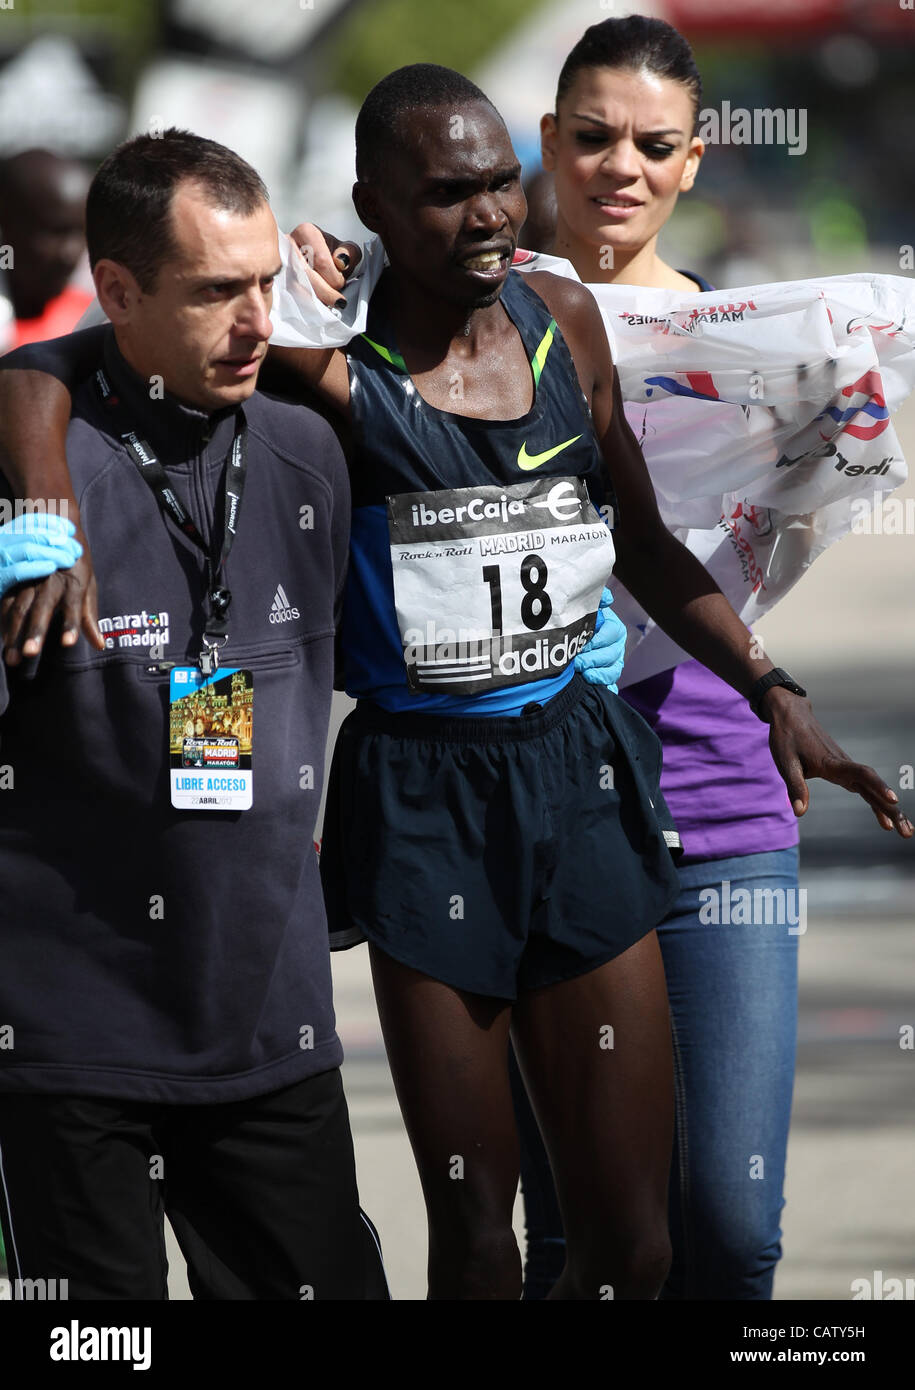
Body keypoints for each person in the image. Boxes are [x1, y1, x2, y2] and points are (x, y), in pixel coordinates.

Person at [0, 70, 909, 1303]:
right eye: (448, 193)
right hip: (425, 799)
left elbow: (640, 537)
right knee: (479, 1240)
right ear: (376, 206)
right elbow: (53, 360)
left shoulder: (559, 319)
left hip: (575, 768)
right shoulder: (316, 369)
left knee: (637, 1244)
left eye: (499, 185)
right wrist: (44, 504)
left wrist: (770, 685)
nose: (487, 215)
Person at [503, 12, 901, 1301]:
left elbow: (814, 504)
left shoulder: (778, 344)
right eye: (594, 136)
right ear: (551, 140)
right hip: (534, 801)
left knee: (732, 1231)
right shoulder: (459, 318)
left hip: (729, 790)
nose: (619, 165)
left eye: (653, 145)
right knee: (577, 1238)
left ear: (694, 162)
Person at [0, 130, 387, 1300]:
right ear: (115, 290)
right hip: (70, 1044)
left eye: (265, 281)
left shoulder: (314, 452)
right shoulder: (35, 476)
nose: (257, 319)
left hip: (268, 1029)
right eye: (217, 290)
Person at [0, 149, 93, 350]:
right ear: (6, 226)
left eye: (81, 233)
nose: (70, 253)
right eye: (56, 232)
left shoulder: (95, 324)